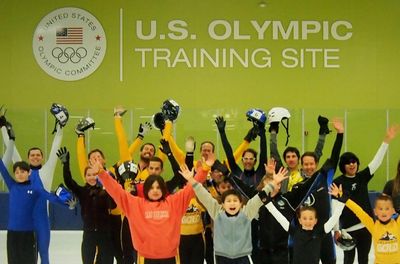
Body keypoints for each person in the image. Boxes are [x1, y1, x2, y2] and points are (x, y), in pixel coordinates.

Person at [93, 155, 213, 263]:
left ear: (163, 189)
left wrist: (205, 168)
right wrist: (101, 173)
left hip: (170, 258)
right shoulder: (135, 204)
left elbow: (191, 188)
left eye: (158, 187)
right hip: (145, 258)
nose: (155, 190)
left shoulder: (174, 203)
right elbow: (117, 191)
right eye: (151, 187)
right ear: (146, 190)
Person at [0, 105, 67, 264]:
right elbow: (10, 144)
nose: (35, 157)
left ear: (42, 158)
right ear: (28, 157)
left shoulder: (47, 169)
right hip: (23, 225)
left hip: (42, 220)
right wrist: (2, 125)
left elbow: (55, 145)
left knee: (44, 254)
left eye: (38, 155)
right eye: (32, 155)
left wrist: (60, 127)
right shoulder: (22, 169)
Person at [182, 164, 288, 264]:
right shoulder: (217, 212)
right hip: (221, 257)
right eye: (228, 201)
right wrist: (191, 180)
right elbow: (204, 195)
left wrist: (274, 182)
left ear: (240, 203)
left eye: (235, 200)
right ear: (223, 204)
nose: (232, 203)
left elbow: (259, 197)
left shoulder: (246, 213)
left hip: (243, 257)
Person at [333, 124, 400, 264]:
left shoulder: (362, 177)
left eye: (354, 162)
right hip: (347, 229)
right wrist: (336, 229)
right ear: (343, 166)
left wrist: (386, 141)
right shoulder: (337, 182)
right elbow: (335, 207)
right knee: (348, 260)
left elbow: (377, 162)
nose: (352, 165)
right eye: (348, 163)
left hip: (366, 227)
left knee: (364, 259)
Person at [57, 147, 116, 264]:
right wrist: (65, 164)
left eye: (94, 174)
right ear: (85, 177)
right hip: (89, 233)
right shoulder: (82, 191)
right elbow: (69, 182)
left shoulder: (106, 190)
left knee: (106, 260)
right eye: (88, 175)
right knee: (87, 260)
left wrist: (107, 189)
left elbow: (113, 205)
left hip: (105, 233)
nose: (92, 177)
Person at [265, 184, 346, 264]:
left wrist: (341, 202)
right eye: (304, 218)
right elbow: (280, 218)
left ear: (315, 221)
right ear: (299, 220)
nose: (308, 221)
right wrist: (268, 203)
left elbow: (334, 219)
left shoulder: (319, 233)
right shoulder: (295, 232)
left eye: (311, 218)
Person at [333, 184, 400, 263]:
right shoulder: (373, 225)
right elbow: (359, 211)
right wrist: (344, 198)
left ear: (393, 211)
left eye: (387, 208)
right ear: (375, 211)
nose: (384, 211)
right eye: (380, 208)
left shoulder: (397, 224)